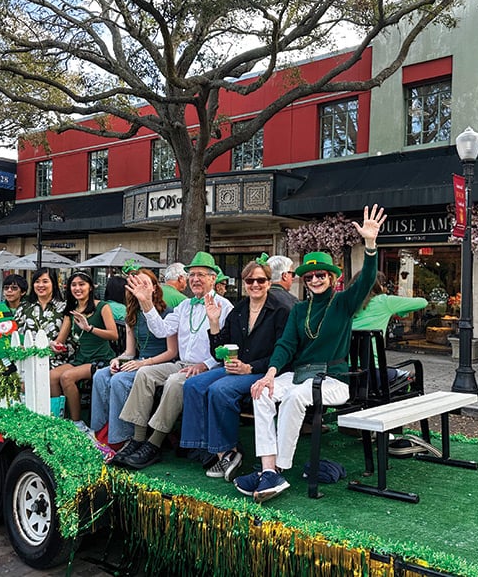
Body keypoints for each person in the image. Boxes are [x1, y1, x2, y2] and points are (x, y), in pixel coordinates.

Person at [233, 204, 386, 503]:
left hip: (334, 380)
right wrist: (269, 375)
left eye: (321, 275)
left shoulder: (343, 303)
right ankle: (268, 469)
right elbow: (285, 345)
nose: (315, 279)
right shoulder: (299, 309)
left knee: (294, 397)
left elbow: (367, 279)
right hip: (300, 375)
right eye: (310, 276)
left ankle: (278, 470)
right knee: (261, 393)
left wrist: (370, 244)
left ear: (332, 277)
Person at [117, 251, 234, 469]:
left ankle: (154, 444)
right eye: (192, 275)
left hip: (209, 369)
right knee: (144, 373)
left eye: (201, 274)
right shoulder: (185, 306)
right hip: (181, 364)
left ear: (213, 278)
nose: (195, 279)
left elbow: (227, 345)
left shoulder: (225, 306)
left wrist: (205, 364)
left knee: (174, 382)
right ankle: (138, 439)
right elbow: (161, 330)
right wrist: (146, 303)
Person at [180, 256, 292, 481]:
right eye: (250, 281)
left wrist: (249, 367)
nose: (255, 285)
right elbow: (219, 353)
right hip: (236, 368)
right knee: (193, 384)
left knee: (220, 389)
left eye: (260, 280)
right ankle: (206, 448)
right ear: (244, 283)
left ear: (269, 282)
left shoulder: (281, 311)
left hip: (263, 370)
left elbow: (283, 353)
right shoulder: (239, 309)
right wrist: (213, 322)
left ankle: (228, 451)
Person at [91, 268, 178, 454]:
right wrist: (117, 360)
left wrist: (143, 363)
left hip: (159, 364)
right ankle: (99, 432)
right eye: (136, 283)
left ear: (154, 288)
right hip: (138, 361)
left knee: (119, 380)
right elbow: (129, 352)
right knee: (101, 375)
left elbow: (172, 352)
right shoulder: (132, 313)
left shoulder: (167, 313)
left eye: (145, 283)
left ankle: (122, 437)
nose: (140, 287)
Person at [51, 270, 118, 433]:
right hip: (80, 359)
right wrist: (55, 345)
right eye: (74, 285)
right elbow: (60, 339)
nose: (77, 288)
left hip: (101, 359)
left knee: (67, 377)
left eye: (82, 284)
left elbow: (114, 334)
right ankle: (59, 418)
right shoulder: (71, 311)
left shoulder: (102, 307)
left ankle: (77, 423)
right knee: (52, 376)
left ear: (90, 287)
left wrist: (89, 328)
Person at [350, 271, 427, 386]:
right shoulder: (384, 301)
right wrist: (400, 310)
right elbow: (422, 302)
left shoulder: (345, 303)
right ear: (379, 286)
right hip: (373, 374)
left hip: (344, 373)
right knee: (408, 376)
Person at [15, 268, 69, 369]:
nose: (40, 285)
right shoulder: (24, 307)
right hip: (27, 361)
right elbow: (17, 335)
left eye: (45, 281)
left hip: (56, 362)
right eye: (37, 282)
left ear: (54, 284)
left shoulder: (64, 307)